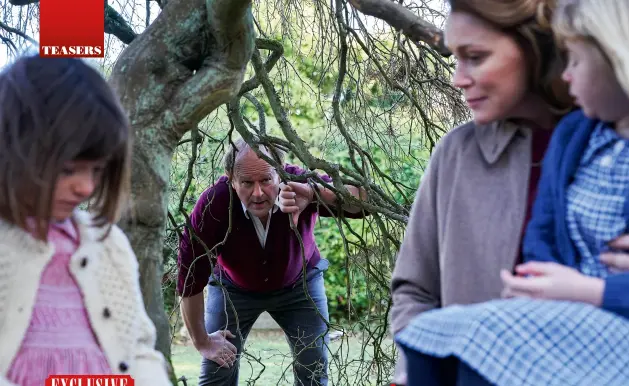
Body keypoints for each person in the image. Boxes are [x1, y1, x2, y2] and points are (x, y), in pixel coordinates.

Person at [395, 0, 629, 385]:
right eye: (455, 57)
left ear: (535, 49)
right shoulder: (457, 155)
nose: (457, 78)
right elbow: (414, 292)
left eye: (475, 56)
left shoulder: (604, 138)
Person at [0, 56, 171, 386]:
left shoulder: (108, 245)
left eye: (97, 170)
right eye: (67, 169)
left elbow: (137, 348)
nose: (86, 187)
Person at [176, 138, 368, 386]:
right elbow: (189, 276)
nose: (257, 193)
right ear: (231, 179)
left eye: (266, 180)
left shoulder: (298, 183)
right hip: (232, 289)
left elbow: (362, 197)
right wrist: (202, 341)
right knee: (217, 371)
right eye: (246, 182)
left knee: (313, 370)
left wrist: (312, 194)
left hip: (300, 286)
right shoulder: (213, 204)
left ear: (281, 172)